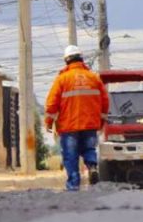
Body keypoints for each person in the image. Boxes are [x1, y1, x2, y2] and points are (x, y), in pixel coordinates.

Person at [45, 44, 109, 191]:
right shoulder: (94, 78)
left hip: (69, 126)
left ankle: (73, 186)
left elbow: (51, 104)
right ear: (81, 58)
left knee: (71, 155)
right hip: (90, 124)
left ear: (66, 60)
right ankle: (92, 165)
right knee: (89, 149)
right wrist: (101, 121)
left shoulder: (62, 79)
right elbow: (105, 101)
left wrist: (48, 122)